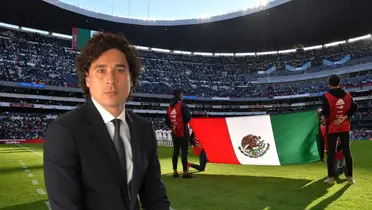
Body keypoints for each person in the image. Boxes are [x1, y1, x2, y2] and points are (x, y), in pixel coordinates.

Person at [43, 32, 170, 210]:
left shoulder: (143, 129)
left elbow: (155, 197)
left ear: (131, 78)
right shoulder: (64, 132)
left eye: (119, 70)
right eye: (101, 70)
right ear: (87, 78)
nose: (111, 80)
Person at [318, 74, 358, 185]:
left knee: (331, 153)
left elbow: (325, 113)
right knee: (347, 152)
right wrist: (345, 117)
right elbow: (355, 107)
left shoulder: (326, 95)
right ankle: (350, 178)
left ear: (328, 82)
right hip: (344, 126)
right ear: (339, 82)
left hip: (332, 127)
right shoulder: (347, 95)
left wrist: (320, 112)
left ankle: (330, 178)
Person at [165, 88, 193, 178]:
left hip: (174, 131)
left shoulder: (169, 107)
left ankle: (175, 171)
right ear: (180, 95)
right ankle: (185, 172)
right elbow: (188, 117)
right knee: (184, 151)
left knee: (175, 151)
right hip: (183, 131)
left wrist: (173, 126)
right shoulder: (183, 105)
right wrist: (182, 124)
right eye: (182, 94)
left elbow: (166, 121)